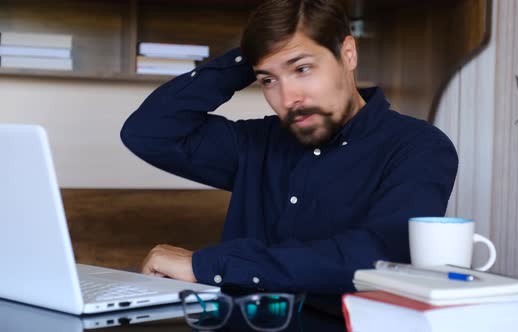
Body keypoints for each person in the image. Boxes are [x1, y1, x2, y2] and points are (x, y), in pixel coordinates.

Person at [120, 0, 458, 294]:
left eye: (302, 68)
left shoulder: (419, 148)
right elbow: (148, 132)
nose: (288, 98)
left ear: (348, 53)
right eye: (268, 80)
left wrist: (210, 265)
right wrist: (253, 56)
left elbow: (377, 257)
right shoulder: (255, 143)